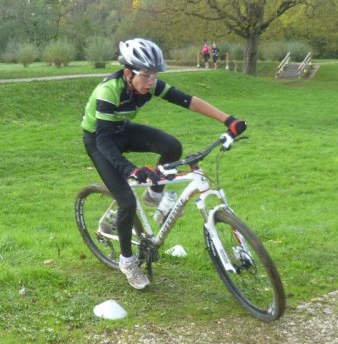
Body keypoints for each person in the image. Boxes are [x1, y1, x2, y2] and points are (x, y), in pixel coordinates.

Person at [80, 38, 247, 289]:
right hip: (98, 139)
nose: (151, 81)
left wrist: (228, 119)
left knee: (172, 146)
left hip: (121, 129)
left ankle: (153, 194)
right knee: (126, 199)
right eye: (146, 75)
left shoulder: (149, 84)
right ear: (128, 73)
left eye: (154, 75)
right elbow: (104, 141)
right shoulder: (108, 91)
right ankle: (127, 262)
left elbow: (187, 100)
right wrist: (132, 169)